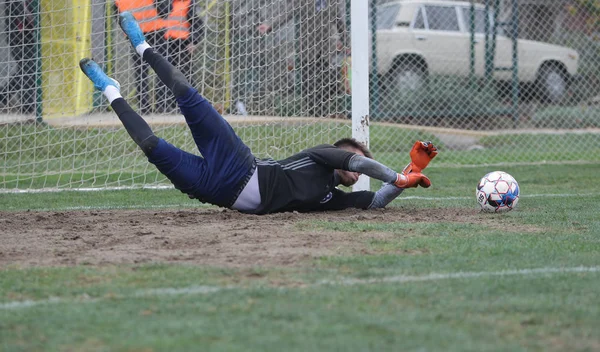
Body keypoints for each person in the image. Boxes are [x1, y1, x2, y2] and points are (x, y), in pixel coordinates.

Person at [79, 12, 437, 215]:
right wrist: (397, 175)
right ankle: (142, 45)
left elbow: (375, 201)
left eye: (358, 162)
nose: (355, 165)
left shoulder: (334, 198)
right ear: (341, 152)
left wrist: (412, 173)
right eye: (354, 156)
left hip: (216, 192)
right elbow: (361, 166)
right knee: (187, 96)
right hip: (237, 163)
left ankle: (111, 91)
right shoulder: (321, 157)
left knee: (152, 147)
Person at [257, 0, 349, 117]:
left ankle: (323, 112)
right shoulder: (303, 2)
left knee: (325, 80)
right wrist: (269, 25)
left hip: (326, 49)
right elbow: (287, 13)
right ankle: (313, 112)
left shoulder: (332, 3)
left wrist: (347, 43)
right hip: (307, 47)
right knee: (309, 81)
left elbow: (339, 23)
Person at [114, 0, 168, 114]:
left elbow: (117, 16)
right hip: (156, 32)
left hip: (135, 34)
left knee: (140, 72)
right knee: (161, 67)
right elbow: (165, 11)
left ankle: (144, 106)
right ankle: (161, 104)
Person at [158, 0, 203, 112]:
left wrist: (194, 41)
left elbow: (198, 24)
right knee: (165, 75)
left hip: (182, 44)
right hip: (167, 43)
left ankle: (192, 103)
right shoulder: (165, 3)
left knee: (185, 74)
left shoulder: (188, 3)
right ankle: (166, 105)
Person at [1, 0, 38, 114]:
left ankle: (3, 95)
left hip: (28, 36)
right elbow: (24, 15)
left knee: (27, 69)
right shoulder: (16, 2)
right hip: (20, 37)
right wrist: (36, 24)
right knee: (28, 69)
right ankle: (27, 106)